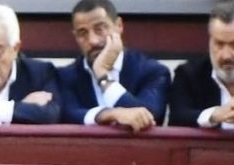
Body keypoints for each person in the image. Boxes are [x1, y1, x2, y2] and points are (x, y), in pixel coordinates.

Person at [57, 0, 169, 132]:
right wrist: (109, 114)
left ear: (119, 26)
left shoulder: (152, 71)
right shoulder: (65, 76)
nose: (93, 40)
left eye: (100, 29)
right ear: (75, 37)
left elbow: (148, 115)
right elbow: (67, 113)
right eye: (83, 33)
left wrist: (102, 74)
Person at [168, 0, 234, 132]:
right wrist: (215, 115)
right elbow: (177, 118)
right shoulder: (188, 75)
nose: (226, 55)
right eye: (219, 44)